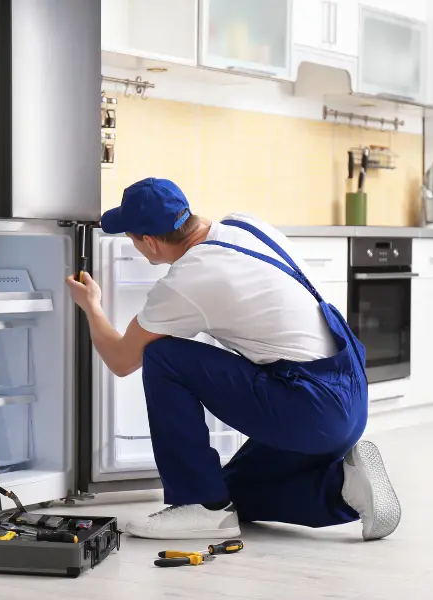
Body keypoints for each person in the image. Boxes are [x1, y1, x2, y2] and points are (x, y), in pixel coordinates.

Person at [66, 177, 401, 541]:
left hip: (310, 407)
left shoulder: (188, 279)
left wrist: (92, 307)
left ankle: (199, 504)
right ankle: (345, 488)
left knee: (164, 356)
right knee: (231, 493)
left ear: (149, 242)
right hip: (348, 392)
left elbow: (120, 359)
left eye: (132, 238)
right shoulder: (245, 225)